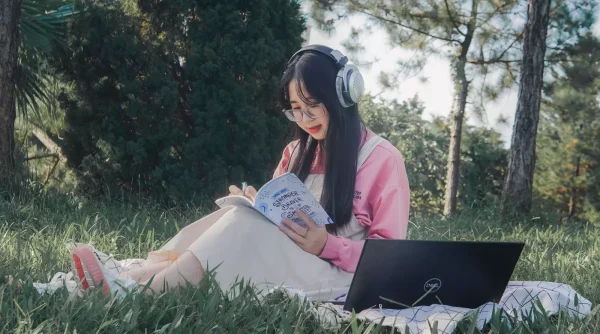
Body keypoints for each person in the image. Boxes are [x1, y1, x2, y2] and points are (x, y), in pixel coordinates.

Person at [39, 45, 411, 300]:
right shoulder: (296, 151)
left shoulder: (381, 159)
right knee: (237, 215)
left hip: (337, 276)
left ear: (342, 97)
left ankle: (136, 292)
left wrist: (326, 245)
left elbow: (389, 259)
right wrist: (257, 204)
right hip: (290, 254)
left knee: (243, 228)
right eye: (295, 109)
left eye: (313, 106)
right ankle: (129, 278)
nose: (304, 119)